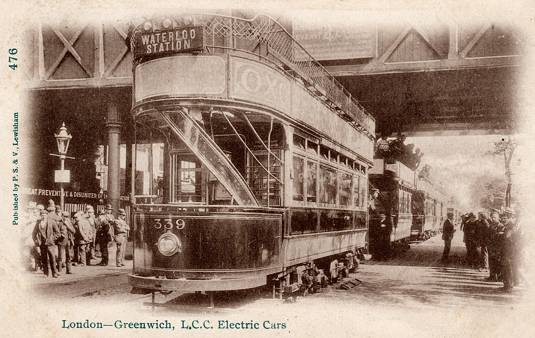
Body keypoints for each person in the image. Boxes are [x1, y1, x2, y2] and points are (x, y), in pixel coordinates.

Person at [32, 206, 60, 278]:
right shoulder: (38, 223)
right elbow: (34, 233)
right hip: (42, 244)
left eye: (44, 215)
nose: (43, 216)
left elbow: (58, 233)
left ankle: (54, 273)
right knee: (44, 259)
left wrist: (52, 239)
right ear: (40, 216)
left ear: (47, 215)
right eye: (42, 215)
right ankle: (45, 273)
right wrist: (36, 241)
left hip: (50, 243)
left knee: (52, 258)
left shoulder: (52, 222)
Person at [501, 208, 517, 292]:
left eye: (505, 215)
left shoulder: (511, 224)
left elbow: (508, 236)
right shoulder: (508, 224)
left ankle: (509, 286)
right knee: (505, 266)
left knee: (508, 266)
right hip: (506, 247)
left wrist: (502, 234)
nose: (504, 216)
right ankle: (506, 284)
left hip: (509, 248)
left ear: (509, 215)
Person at [487, 210, 504, 282]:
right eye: (492, 217)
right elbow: (487, 235)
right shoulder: (491, 226)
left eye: (494, 217)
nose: (493, 219)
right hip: (491, 246)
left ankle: (499, 277)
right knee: (491, 261)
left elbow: (501, 238)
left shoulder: (501, 226)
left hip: (497, 247)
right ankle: (492, 276)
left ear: (498, 218)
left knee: (498, 262)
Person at [56, 210, 75, 274]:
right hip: (61, 241)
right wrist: (60, 235)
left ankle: (68, 270)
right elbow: (56, 232)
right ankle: (59, 270)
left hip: (68, 241)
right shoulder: (59, 223)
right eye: (65, 216)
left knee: (68, 256)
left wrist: (68, 225)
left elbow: (73, 231)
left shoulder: (69, 223)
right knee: (60, 256)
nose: (66, 218)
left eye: (67, 216)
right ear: (62, 216)